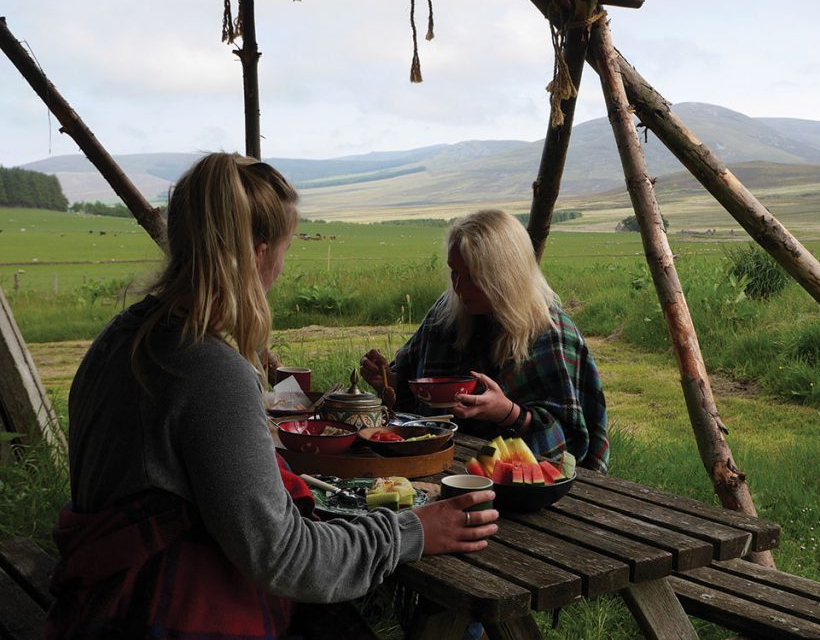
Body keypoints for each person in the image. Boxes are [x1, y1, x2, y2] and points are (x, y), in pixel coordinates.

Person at [46, 153, 498, 639]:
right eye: (285, 247)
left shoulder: (123, 338)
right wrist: (413, 532)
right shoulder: (208, 370)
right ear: (260, 252)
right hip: (158, 614)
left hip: (99, 598)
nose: (282, 266)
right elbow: (285, 557)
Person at [361, 209, 609, 472]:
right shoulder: (446, 313)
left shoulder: (550, 332)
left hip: (520, 481)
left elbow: (570, 448)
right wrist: (388, 381)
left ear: (504, 276)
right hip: (434, 463)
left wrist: (509, 413)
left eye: (473, 277)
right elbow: (412, 402)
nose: (458, 287)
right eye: (454, 272)